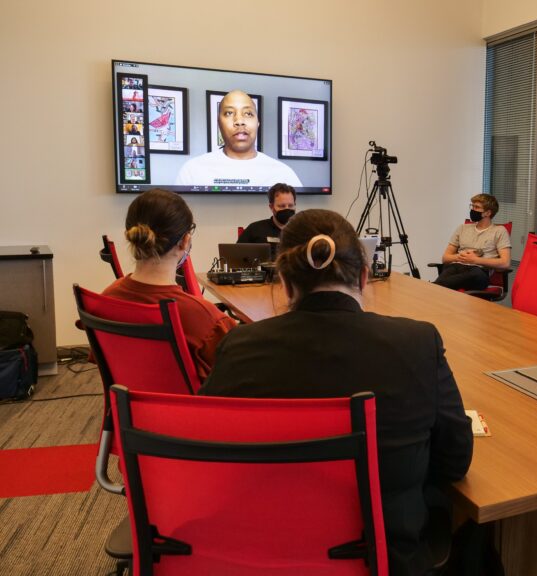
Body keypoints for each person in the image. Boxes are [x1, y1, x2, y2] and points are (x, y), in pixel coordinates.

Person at [200, 209, 473, 576]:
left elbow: (207, 454)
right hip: (387, 558)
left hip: (265, 552)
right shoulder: (418, 342)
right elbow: (454, 461)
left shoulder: (240, 346)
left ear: (284, 281)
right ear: (363, 276)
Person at [102, 189, 236, 381]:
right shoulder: (205, 318)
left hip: (127, 407)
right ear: (184, 241)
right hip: (191, 411)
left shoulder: (107, 299)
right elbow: (238, 377)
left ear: (130, 235)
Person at [175, 90, 302, 187]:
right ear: (219, 124)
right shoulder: (192, 170)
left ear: (258, 123)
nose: (239, 121)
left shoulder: (284, 174)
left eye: (248, 113)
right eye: (229, 113)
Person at [434, 193, 511, 291]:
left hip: (480, 270)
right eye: (472, 206)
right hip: (456, 266)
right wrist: (461, 256)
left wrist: (475, 260)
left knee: (474, 275)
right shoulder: (462, 228)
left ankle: (433, 286)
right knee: (448, 271)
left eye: (477, 207)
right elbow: (445, 258)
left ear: (488, 213)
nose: (472, 209)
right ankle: (436, 287)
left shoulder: (499, 231)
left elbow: (505, 263)